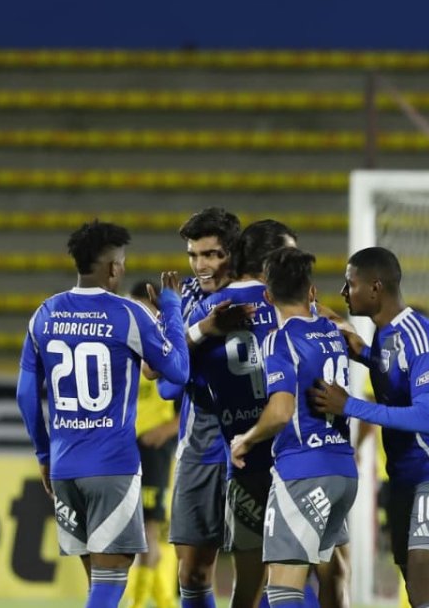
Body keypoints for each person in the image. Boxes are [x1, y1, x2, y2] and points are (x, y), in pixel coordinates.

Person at [16, 220, 190, 608]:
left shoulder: (44, 314)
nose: (123, 268)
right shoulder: (128, 314)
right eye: (122, 262)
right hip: (113, 465)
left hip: (64, 467)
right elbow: (178, 370)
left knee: (97, 578)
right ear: (113, 267)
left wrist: (44, 456)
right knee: (112, 577)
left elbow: (26, 394)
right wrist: (173, 310)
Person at [310, 246, 429, 608]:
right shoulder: (385, 335)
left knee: (425, 587)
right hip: (403, 478)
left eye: (349, 284)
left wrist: (348, 404)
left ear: (375, 287)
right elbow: (391, 370)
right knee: (418, 593)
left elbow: (425, 417)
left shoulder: (420, 334)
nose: (343, 292)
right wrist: (361, 350)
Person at [230, 247, 358, 608]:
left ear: (268, 296)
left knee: (284, 588)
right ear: (313, 292)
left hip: (303, 471)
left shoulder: (279, 340)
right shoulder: (334, 333)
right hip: (342, 472)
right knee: (330, 574)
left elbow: (281, 411)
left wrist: (247, 439)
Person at [185, 219, 298, 608]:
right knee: (315, 573)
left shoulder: (207, 308)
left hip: (244, 459)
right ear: (271, 262)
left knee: (247, 583)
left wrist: (200, 329)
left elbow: (161, 373)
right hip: (298, 456)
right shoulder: (289, 303)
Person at [163, 207, 243, 608]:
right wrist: (202, 330)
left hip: (254, 447)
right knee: (191, 571)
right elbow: (160, 376)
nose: (201, 265)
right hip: (200, 448)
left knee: (266, 567)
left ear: (232, 251)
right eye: (194, 255)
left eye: (211, 254)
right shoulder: (185, 299)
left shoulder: (258, 296)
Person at [126, 282, 183, 608]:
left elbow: (185, 410)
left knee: (149, 533)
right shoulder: (128, 349)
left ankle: (156, 602)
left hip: (154, 453)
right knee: (137, 534)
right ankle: (156, 601)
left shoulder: (164, 351)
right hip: (128, 453)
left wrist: (164, 431)